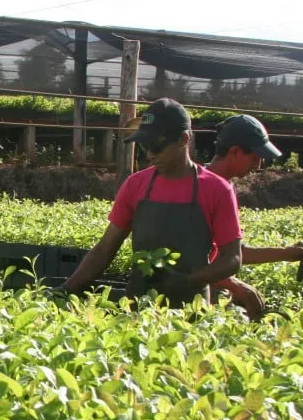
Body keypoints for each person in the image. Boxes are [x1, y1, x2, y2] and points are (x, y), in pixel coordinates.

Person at [61, 98, 243, 306]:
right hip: (139, 306)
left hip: (190, 313)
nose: (149, 154)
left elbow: (232, 259)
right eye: (145, 146)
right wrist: (66, 289)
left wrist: (189, 280)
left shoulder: (217, 189)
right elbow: (105, 249)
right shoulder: (135, 185)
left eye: (157, 147)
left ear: (183, 139)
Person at [205, 114, 303, 319]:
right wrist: (234, 285)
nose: (257, 166)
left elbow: (234, 253)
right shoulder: (200, 188)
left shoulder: (224, 187)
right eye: (255, 158)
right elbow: (186, 260)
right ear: (236, 152)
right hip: (196, 292)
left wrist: (286, 253)